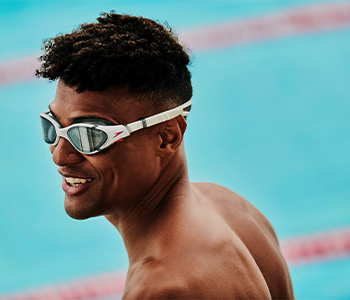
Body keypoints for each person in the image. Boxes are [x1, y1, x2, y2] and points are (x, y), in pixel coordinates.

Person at [36, 12, 294, 299]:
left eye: (90, 135)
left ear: (166, 138)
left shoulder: (161, 288)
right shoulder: (233, 209)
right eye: (53, 126)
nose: (61, 155)